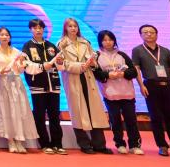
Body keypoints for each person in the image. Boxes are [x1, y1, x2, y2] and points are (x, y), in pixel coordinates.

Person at [132, 24, 170, 158]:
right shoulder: (137, 50)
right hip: (151, 86)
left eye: (152, 32)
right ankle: (162, 145)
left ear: (156, 34)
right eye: (145, 32)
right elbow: (136, 69)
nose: (149, 34)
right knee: (156, 117)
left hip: (167, 86)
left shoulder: (165, 51)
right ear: (141, 35)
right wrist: (141, 86)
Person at [56, 18, 111, 154]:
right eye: (70, 26)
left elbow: (94, 61)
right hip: (73, 78)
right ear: (65, 28)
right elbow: (61, 64)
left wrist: (92, 63)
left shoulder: (85, 42)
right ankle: (84, 144)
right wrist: (79, 66)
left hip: (88, 78)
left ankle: (99, 144)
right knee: (78, 112)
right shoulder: (61, 44)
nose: (73, 28)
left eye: (75, 26)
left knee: (94, 112)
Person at [93, 30, 144, 155]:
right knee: (115, 120)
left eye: (110, 39)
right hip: (110, 94)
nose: (108, 42)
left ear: (114, 41)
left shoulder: (122, 55)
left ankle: (134, 145)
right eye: (104, 40)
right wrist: (108, 75)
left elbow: (133, 72)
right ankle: (120, 144)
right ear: (100, 42)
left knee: (131, 120)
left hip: (127, 93)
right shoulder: (97, 56)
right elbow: (96, 74)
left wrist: (123, 73)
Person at [0, 27, 39, 153]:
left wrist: (22, 65)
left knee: (19, 111)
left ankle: (19, 140)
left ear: (10, 37)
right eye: (2, 35)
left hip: (16, 83)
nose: (4, 37)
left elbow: (21, 70)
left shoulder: (17, 52)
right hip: (3, 83)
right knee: (5, 111)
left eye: (6, 35)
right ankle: (10, 141)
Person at [21, 18, 66, 154]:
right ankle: (44, 144)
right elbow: (27, 66)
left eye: (40, 27)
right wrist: (42, 66)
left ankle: (57, 144)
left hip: (54, 86)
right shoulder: (27, 46)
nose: (38, 30)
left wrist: (59, 62)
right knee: (39, 116)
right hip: (38, 87)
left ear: (44, 29)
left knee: (54, 116)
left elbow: (61, 67)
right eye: (35, 28)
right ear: (31, 30)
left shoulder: (51, 46)